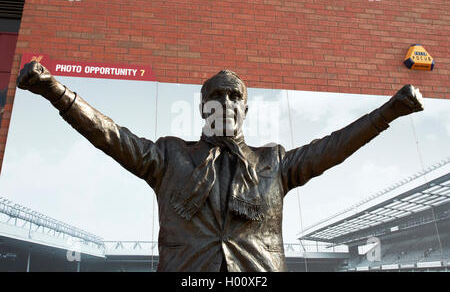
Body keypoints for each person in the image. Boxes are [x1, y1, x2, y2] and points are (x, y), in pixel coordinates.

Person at [16, 61, 424, 271]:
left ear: (244, 107)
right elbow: (110, 134)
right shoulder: (168, 157)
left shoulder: (274, 162)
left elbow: (335, 147)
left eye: (234, 97)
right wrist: (55, 90)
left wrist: (390, 110)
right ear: (203, 106)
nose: (226, 104)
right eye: (217, 96)